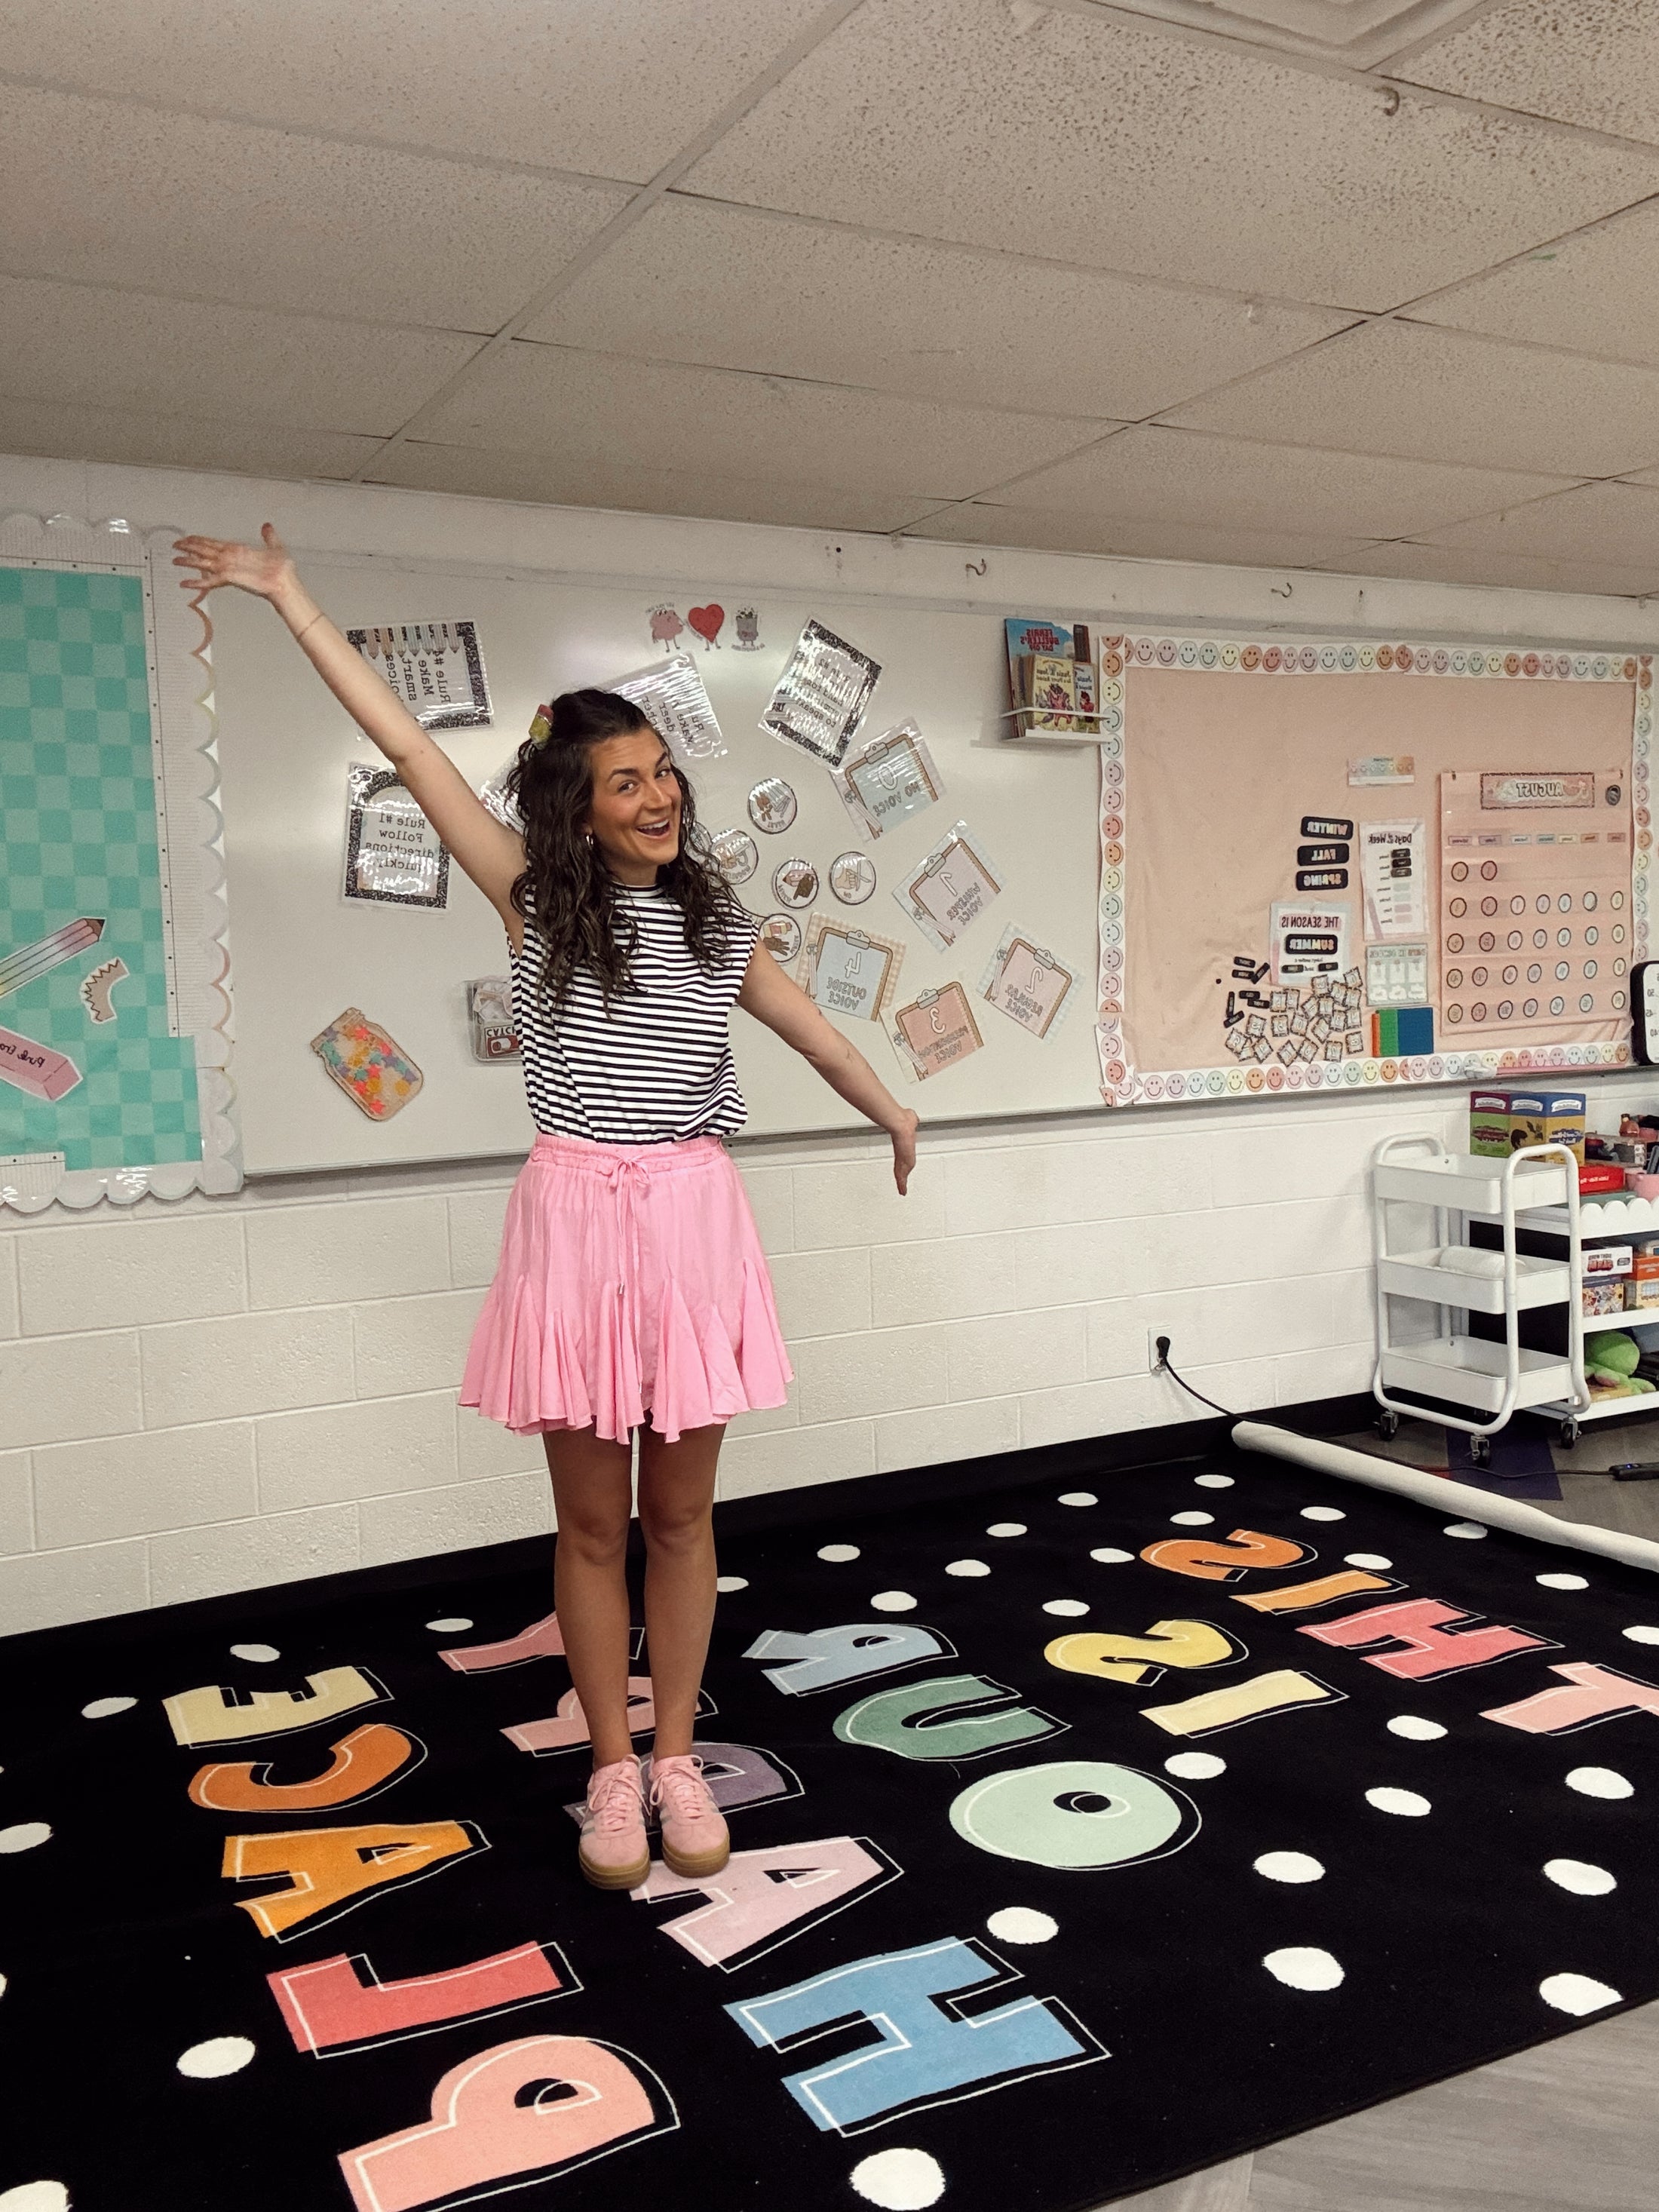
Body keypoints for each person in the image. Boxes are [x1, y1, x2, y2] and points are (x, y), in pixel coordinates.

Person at [172, 526, 920, 1891]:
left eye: (664, 770)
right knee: (590, 1523)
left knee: (684, 1518)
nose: (658, 796)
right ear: (576, 811)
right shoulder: (536, 906)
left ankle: (680, 1750)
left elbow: (807, 1026)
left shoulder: (711, 917)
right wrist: (291, 597)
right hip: (578, 1215)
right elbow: (410, 752)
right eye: (627, 780)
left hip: (692, 1215)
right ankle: (610, 1771)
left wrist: (891, 1105)